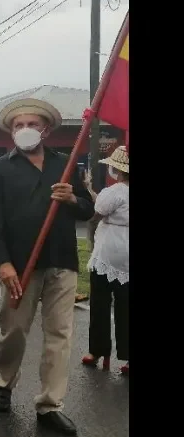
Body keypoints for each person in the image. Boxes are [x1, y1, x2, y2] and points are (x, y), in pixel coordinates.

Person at [0, 98, 94, 436]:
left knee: (59, 333)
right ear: (11, 132)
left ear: (45, 129)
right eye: (18, 125)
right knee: (14, 329)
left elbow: (87, 209)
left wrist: (72, 198)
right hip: (20, 265)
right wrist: (2, 262)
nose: (25, 130)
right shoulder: (0, 169)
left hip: (61, 260)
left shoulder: (66, 164)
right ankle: (3, 382)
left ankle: (49, 405)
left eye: (31, 124)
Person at [81, 145, 129, 375]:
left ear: (116, 169)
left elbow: (97, 211)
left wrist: (87, 192)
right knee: (126, 306)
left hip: (108, 252)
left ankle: (98, 350)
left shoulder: (116, 190)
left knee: (100, 303)